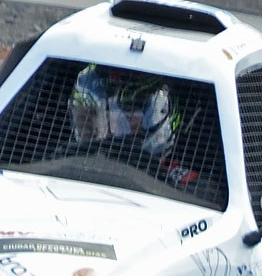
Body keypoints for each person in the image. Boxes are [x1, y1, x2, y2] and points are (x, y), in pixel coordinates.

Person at [67, 64, 200, 190]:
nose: (95, 129)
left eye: (127, 118)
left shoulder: (183, 185)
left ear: (159, 116)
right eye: (88, 120)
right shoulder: (66, 162)